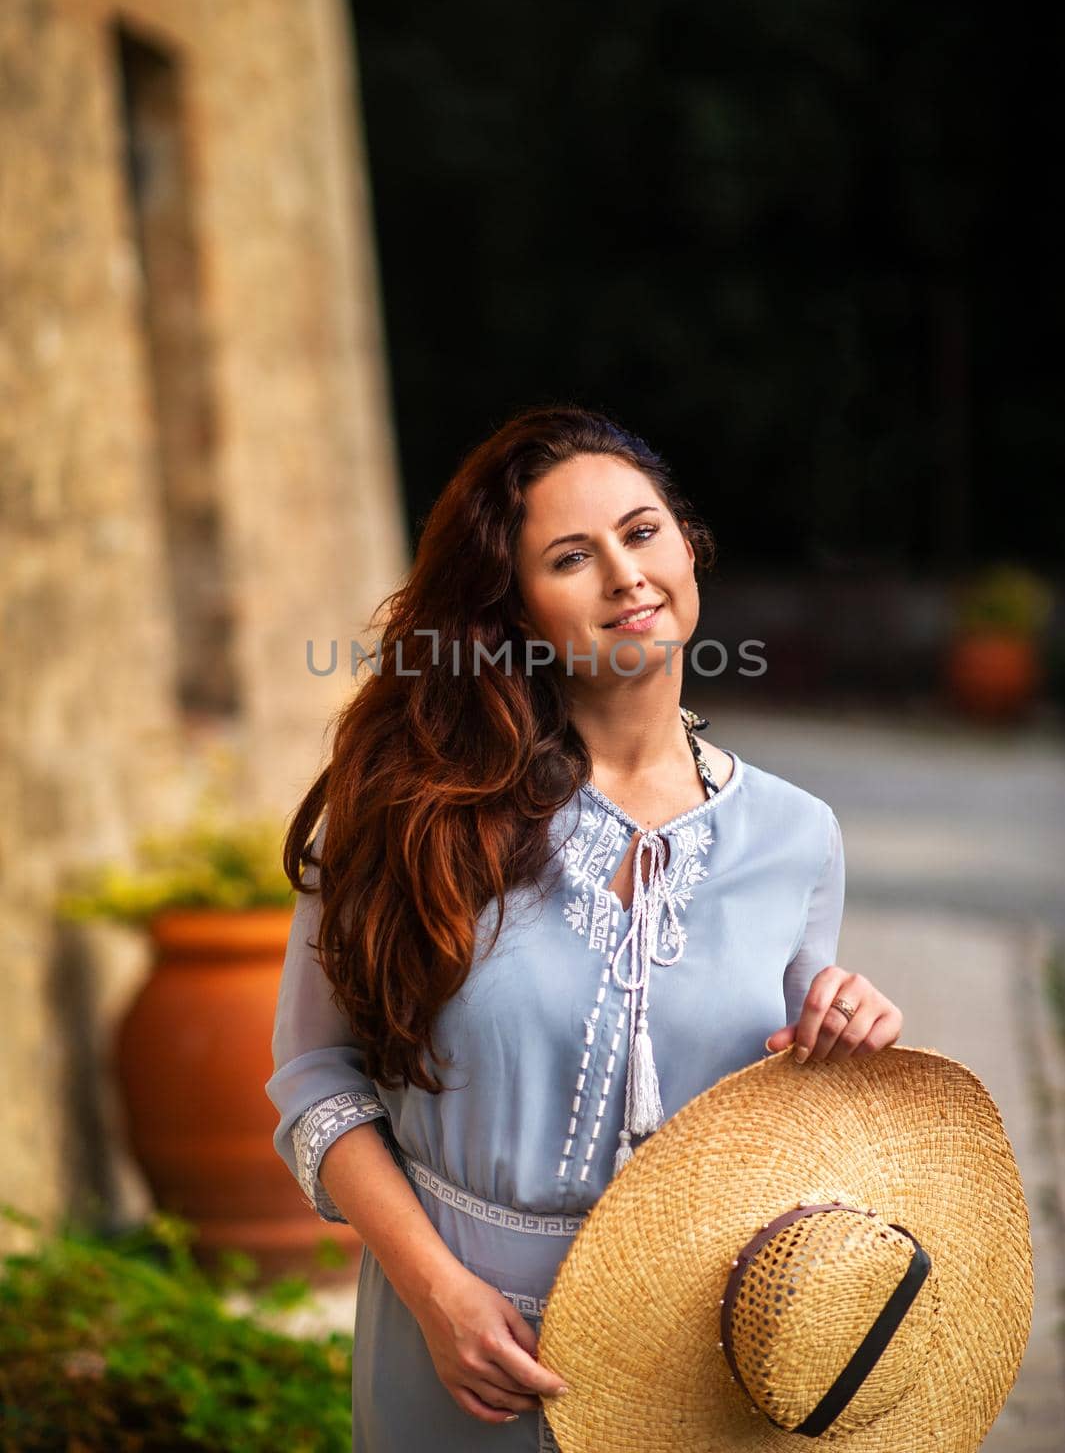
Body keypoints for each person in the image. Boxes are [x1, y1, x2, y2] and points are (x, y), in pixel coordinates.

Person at [266, 404, 903, 1453]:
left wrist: (848, 1029)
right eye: (572, 557)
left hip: (698, 1359)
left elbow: (787, 1111)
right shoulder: (402, 808)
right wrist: (436, 1295)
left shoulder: (798, 835)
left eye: (642, 532)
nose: (626, 576)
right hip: (463, 1359)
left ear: (688, 545)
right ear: (511, 609)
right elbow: (313, 1075)